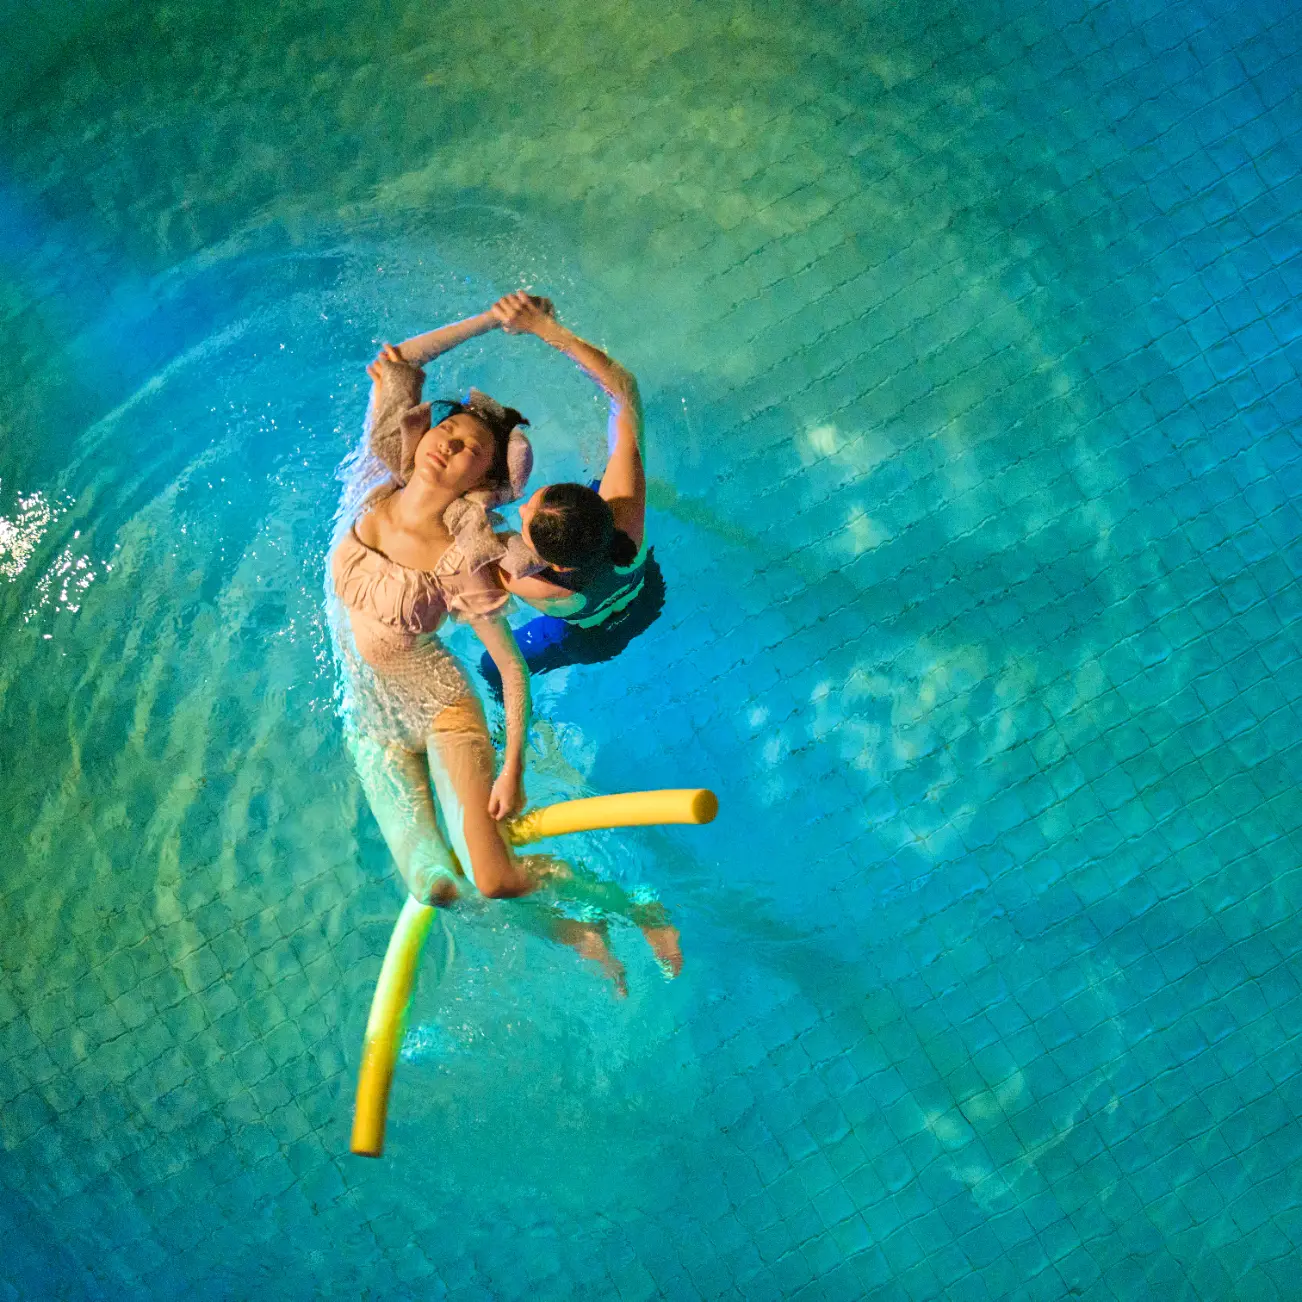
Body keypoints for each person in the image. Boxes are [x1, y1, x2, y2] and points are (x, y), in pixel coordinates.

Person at [328, 301, 682, 986]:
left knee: (496, 674)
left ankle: (629, 905)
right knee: (441, 885)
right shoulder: (622, 520)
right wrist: (506, 322)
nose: (448, 443)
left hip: (574, 635)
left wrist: (514, 761)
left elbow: (511, 638)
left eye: (525, 507)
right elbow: (400, 363)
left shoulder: (508, 574)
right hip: (635, 592)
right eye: (447, 431)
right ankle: (578, 930)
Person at [477, 292, 664, 691]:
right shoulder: (628, 518)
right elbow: (624, 389)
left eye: (525, 519)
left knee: (490, 667)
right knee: (609, 467)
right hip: (647, 598)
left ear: (554, 566)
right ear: (601, 508)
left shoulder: (541, 588)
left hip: (590, 641)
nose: (522, 510)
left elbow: (466, 545)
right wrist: (544, 326)